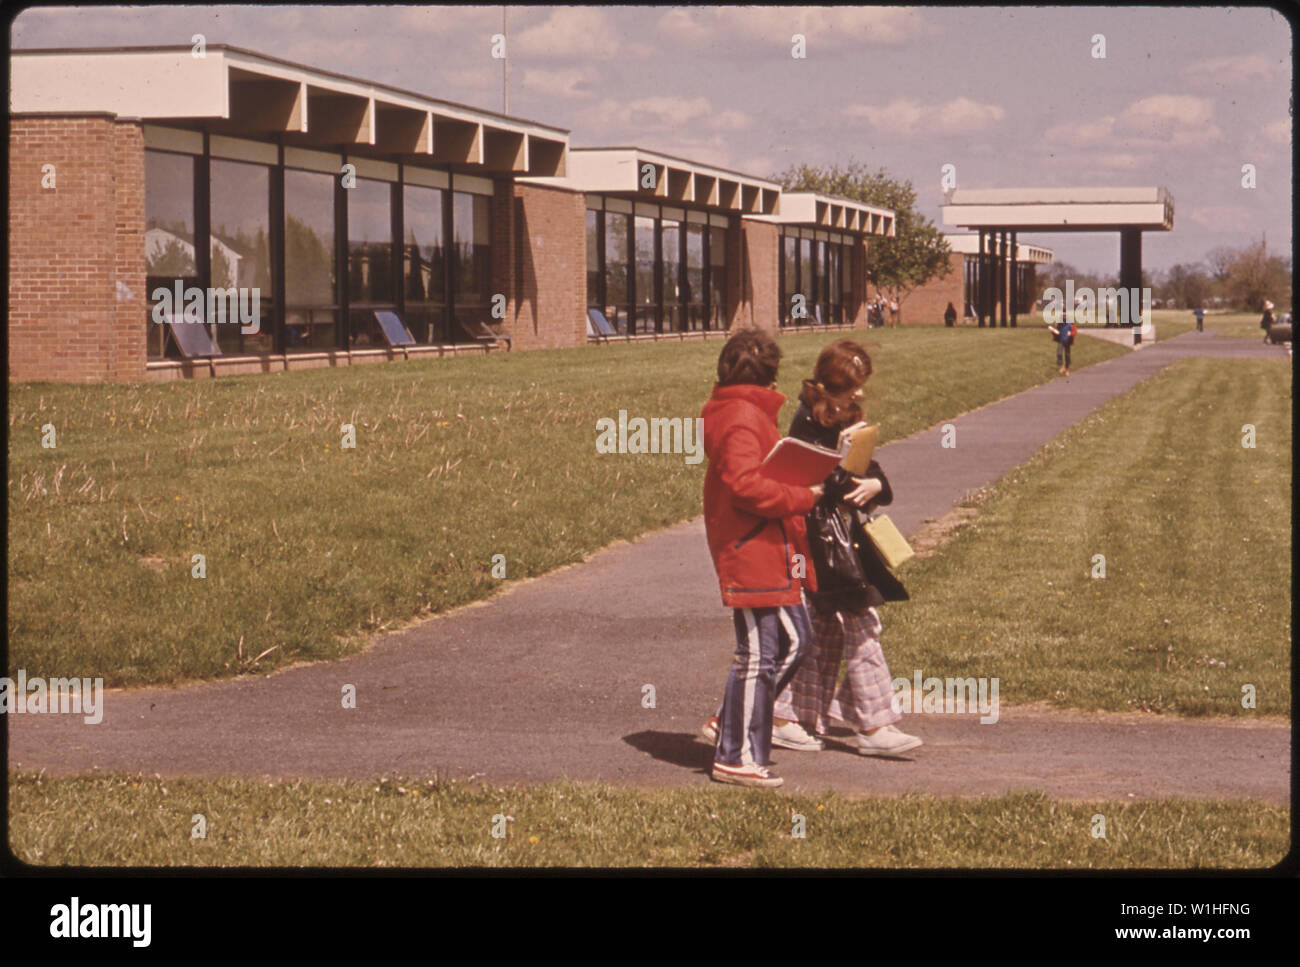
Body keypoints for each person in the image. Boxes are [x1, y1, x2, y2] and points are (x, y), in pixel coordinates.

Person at [768, 339, 922, 756]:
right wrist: (842, 461)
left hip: (840, 536)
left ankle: (793, 715)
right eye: (852, 385)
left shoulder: (846, 417)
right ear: (833, 384)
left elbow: (868, 471)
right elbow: (814, 478)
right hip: (822, 539)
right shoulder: (807, 421)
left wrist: (876, 485)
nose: (859, 393)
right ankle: (873, 726)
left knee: (826, 631)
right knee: (860, 623)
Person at [698, 328, 822, 789]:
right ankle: (735, 754)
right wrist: (804, 496)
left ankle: (730, 722)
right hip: (750, 547)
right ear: (771, 375)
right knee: (757, 654)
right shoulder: (741, 418)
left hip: (770, 546)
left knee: (795, 639)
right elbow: (745, 486)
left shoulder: (746, 412)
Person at [1048, 299, 1077, 375]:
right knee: (1059, 353)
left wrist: (1070, 334)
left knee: (1067, 355)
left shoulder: (1070, 324)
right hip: (1061, 340)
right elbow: (1057, 332)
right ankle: (1062, 366)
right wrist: (1053, 331)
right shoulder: (1059, 324)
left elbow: (1075, 332)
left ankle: (1067, 368)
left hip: (1067, 341)